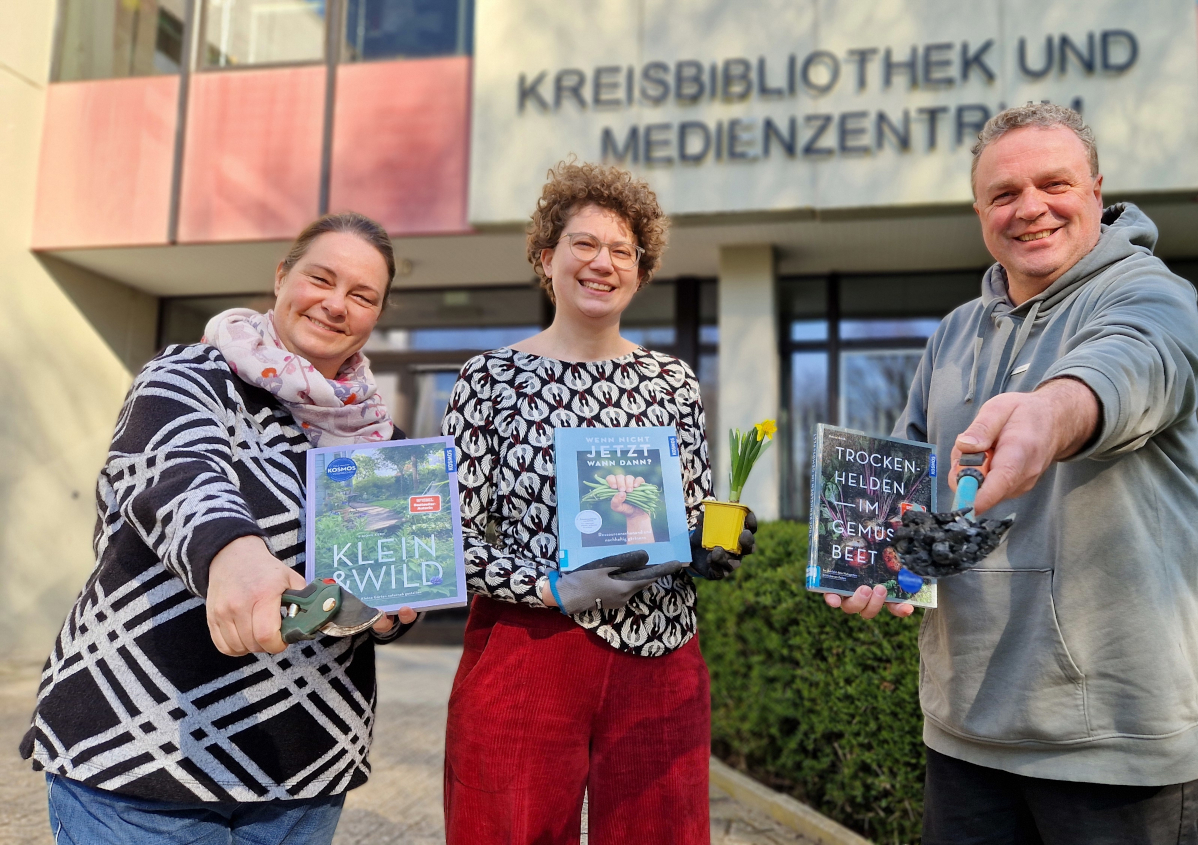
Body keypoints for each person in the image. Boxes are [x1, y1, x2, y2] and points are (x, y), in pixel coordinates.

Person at [827, 103, 1198, 842]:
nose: (1030, 208)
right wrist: (877, 561)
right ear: (979, 211)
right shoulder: (951, 335)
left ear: (1097, 193)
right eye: (1004, 194)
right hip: (962, 728)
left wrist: (1050, 415)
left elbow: (1132, 366)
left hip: (1116, 746)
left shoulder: (1148, 294)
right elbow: (911, 494)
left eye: (1054, 183)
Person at [20, 212, 420, 844]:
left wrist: (394, 604)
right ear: (284, 275)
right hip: (142, 750)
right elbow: (179, 475)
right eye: (322, 278)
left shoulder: (380, 443)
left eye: (362, 295)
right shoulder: (188, 376)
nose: (337, 304)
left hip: (305, 769)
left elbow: (374, 587)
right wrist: (233, 555)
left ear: (377, 314)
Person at [441, 160, 754, 845]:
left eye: (622, 251)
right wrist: (550, 583)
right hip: (530, 647)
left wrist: (718, 537)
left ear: (641, 272)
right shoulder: (489, 378)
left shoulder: (672, 380)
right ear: (546, 256)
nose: (602, 262)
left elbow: (694, 506)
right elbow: (451, 538)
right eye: (584, 243)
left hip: (660, 648)